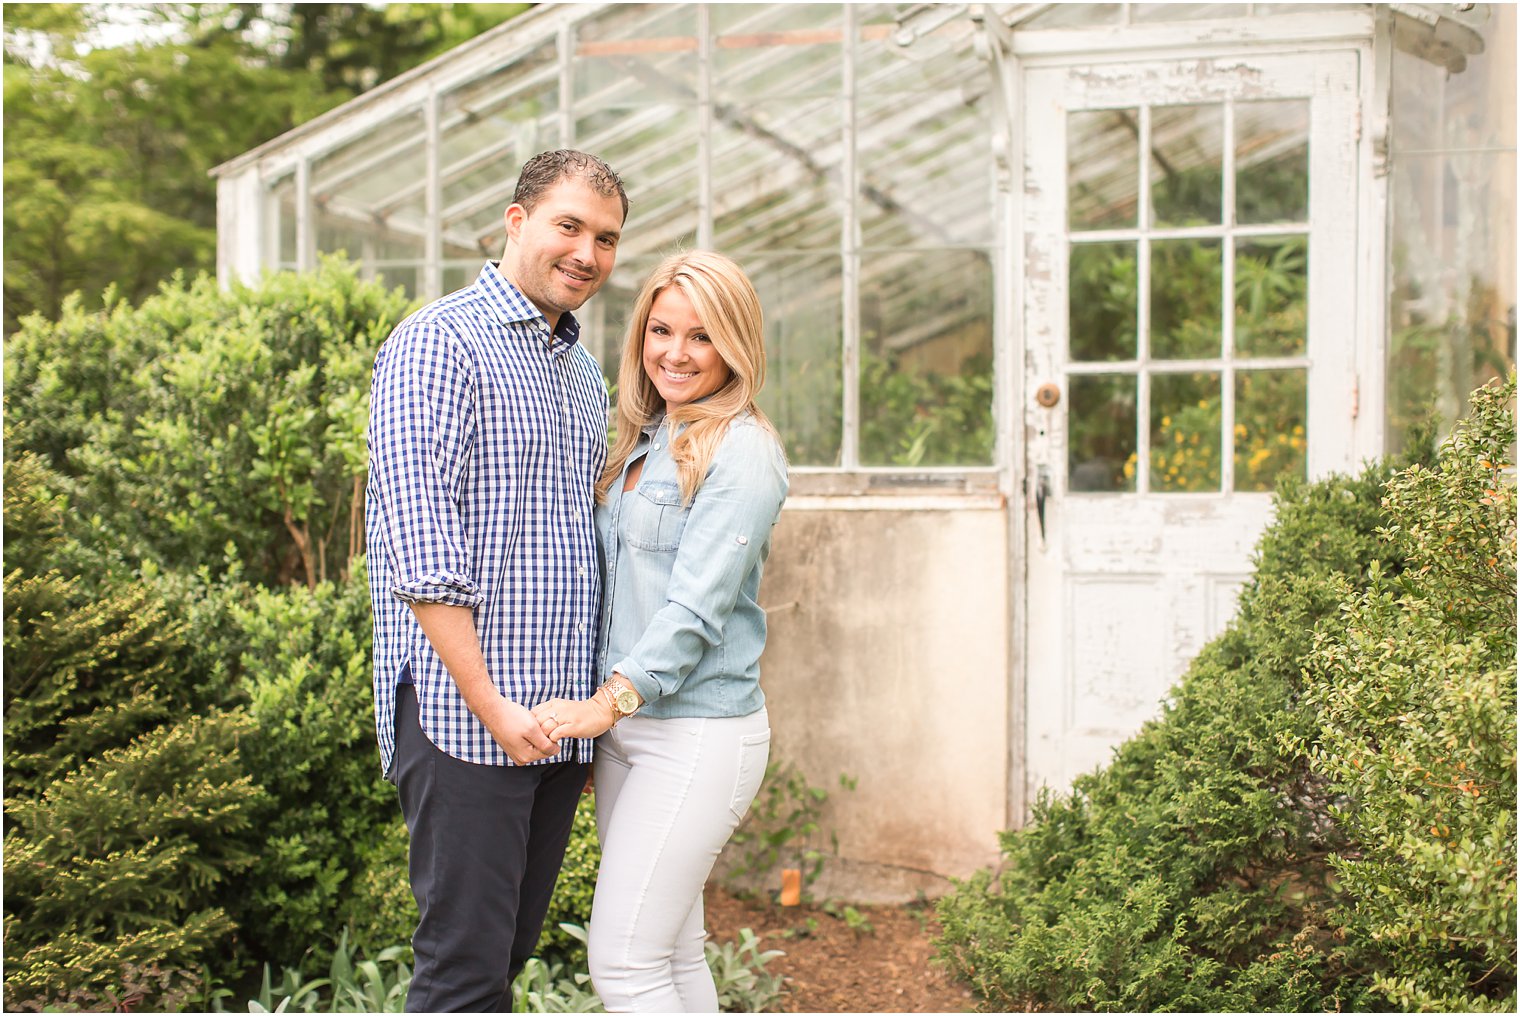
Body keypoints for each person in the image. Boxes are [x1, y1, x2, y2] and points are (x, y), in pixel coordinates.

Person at [365, 149, 628, 1012]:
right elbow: (421, 549)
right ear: (516, 223)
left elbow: (578, 546)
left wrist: (585, 720)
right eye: (569, 227)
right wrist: (489, 703)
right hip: (466, 715)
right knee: (462, 970)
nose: (587, 253)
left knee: (505, 952)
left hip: (555, 725)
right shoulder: (438, 344)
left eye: (607, 239)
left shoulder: (581, 374)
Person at [531, 250, 789, 1013]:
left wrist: (602, 705)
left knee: (625, 966)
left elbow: (694, 614)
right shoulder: (648, 437)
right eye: (661, 330)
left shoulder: (743, 454)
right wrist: (602, 727)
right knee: (671, 955)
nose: (675, 353)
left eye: (702, 337)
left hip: (696, 736)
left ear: (735, 347)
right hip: (628, 734)